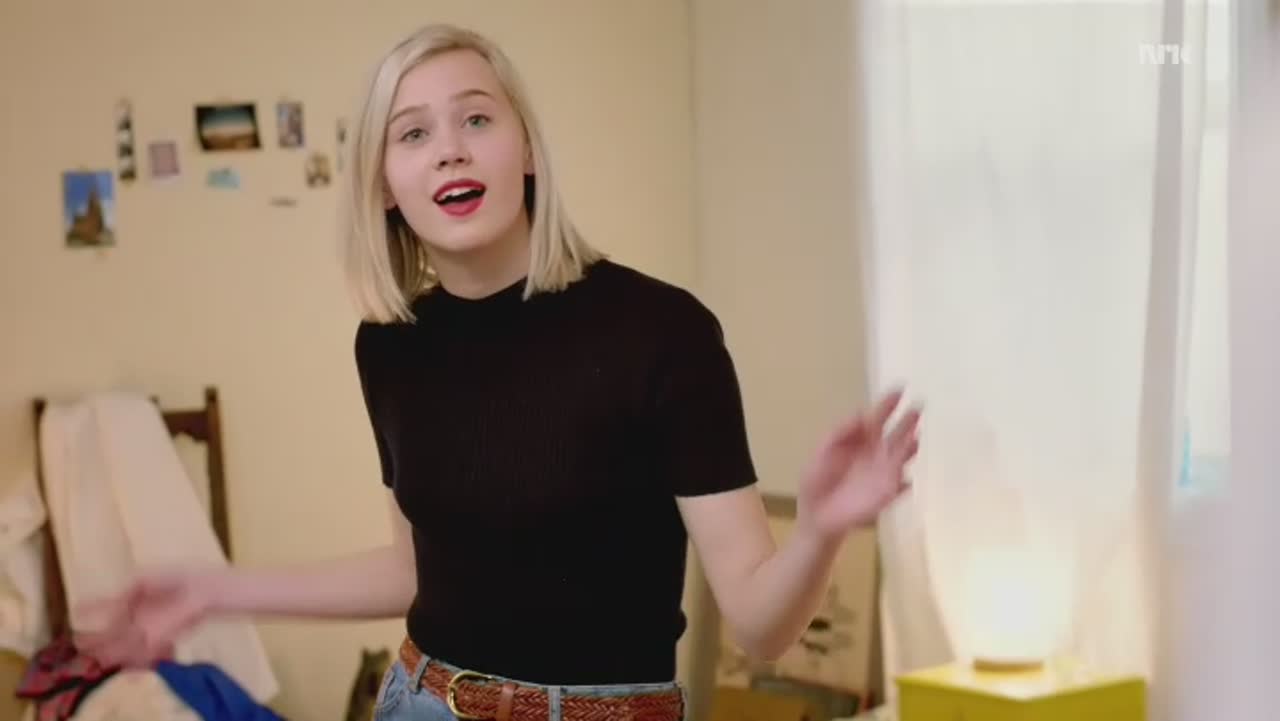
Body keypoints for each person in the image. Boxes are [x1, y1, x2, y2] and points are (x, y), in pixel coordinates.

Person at [75, 23, 921, 721]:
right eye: (413, 133)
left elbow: (762, 627)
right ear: (384, 185)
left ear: (526, 152)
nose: (450, 150)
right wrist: (214, 589)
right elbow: (416, 568)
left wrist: (819, 528)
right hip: (420, 701)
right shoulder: (390, 347)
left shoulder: (664, 332)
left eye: (476, 119)